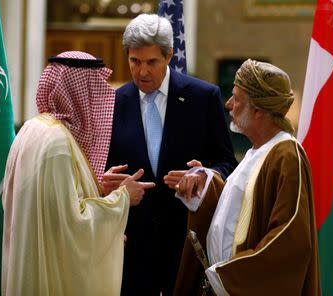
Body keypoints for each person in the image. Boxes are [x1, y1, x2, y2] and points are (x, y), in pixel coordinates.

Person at [102, 14, 238, 295]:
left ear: (169, 56)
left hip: (185, 245)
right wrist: (105, 182)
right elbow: (102, 169)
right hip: (131, 249)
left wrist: (204, 175)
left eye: (151, 62)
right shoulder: (112, 103)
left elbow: (227, 163)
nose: (142, 72)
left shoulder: (203, 97)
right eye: (134, 61)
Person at [1, 51, 155, 296]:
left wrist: (99, 187)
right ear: (78, 92)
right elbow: (71, 225)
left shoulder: (33, 128)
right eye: (94, 91)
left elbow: (50, 209)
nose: (99, 100)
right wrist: (123, 198)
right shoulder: (57, 144)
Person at [174, 59, 321, 295]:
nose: (228, 104)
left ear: (257, 110)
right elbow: (239, 209)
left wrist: (230, 277)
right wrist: (205, 183)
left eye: (236, 98)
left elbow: (290, 237)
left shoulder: (286, 154)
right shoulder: (257, 151)